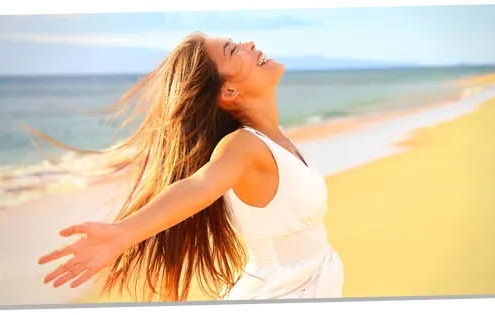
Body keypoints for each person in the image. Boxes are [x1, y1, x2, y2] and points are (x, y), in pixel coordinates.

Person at [36, 32, 344, 302]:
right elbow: (200, 185)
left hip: (308, 284)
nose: (249, 44)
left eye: (237, 43)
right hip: (282, 292)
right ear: (228, 92)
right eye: (234, 50)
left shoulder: (277, 140)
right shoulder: (243, 145)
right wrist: (123, 233)